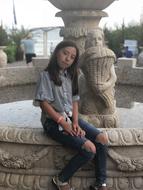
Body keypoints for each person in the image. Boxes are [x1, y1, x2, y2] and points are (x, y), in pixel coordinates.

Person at [34, 40, 108, 190]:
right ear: (57, 53)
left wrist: (75, 122)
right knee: (89, 149)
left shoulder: (72, 75)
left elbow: (75, 101)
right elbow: (44, 104)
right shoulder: (46, 75)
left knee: (102, 138)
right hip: (53, 122)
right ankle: (61, 180)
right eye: (65, 53)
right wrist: (63, 123)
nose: (68, 58)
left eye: (72, 57)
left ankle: (101, 183)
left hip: (69, 118)